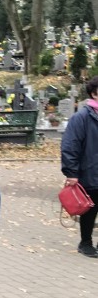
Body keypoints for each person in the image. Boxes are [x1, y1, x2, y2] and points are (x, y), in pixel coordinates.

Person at [61, 76, 98, 257]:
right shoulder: (82, 118)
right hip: (90, 171)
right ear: (94, 94)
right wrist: (71, 172)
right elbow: (70, 145)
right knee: (90, 210)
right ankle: (86, 243)